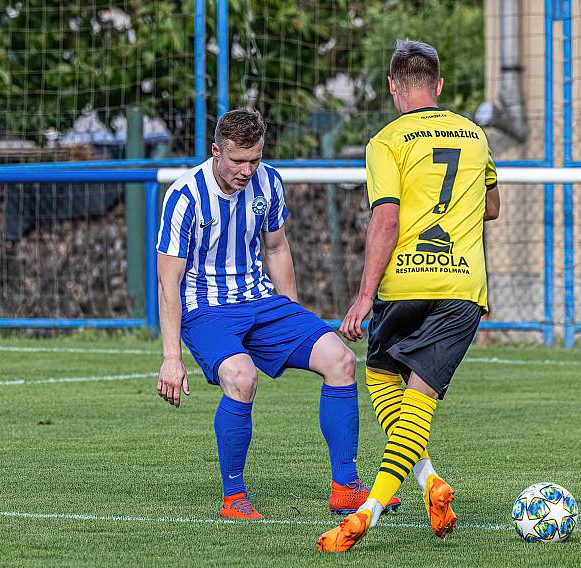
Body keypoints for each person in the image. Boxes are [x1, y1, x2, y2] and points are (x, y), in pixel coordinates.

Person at [155, 108, 400, 520]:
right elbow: (168, 282)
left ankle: (346, 487)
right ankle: (234, 497)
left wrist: (291, 311)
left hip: (263, 303)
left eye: (255, 159)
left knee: (340, 360)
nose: (248, 170)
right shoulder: (185, 197)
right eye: (238, 161)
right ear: (216, 151)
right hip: (207, 310)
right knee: (241, 377)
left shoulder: (269, 181)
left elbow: (276, 248)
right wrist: (171, 357)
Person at [317, 40, 500, 552]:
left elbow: (387, 218)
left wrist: (362, 296)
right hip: (463, 288)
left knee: (380, 376)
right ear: (439, 86)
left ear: (394, 86)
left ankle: (366, 514)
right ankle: (428, 482)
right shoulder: (476, 135)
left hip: (405, 283)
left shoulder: (386, 142)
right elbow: (492, 207)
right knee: (412, 392)